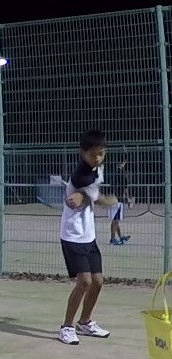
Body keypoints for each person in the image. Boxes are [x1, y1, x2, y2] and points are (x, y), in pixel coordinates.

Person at [58, 129, 118, 345]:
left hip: (88, 235)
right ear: (82, 152)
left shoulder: (97, 168)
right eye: (93, 154)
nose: (98, 158)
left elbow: (89, 193)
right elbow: (89, 194)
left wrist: (87, 196)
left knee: (98, 281)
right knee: (84, 281)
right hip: (72, 235)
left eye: (101, 153)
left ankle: (84, 322)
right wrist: (96, 198)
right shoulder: (80, 175)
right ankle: (66, 327)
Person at [108, 159, 131, 245]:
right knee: (116, 220)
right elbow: (125, 188)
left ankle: (120, 237)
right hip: (119, 199)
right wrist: (128, 199)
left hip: (112, 198)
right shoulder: (122, 175)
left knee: (115, 219)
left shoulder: (113, 174)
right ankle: (112, 239)